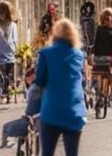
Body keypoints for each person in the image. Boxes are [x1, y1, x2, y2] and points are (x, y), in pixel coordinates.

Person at [35, 19, 87, 156]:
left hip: (51, 111)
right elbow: (82, 80)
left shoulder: (46, 53)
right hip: (73, 111)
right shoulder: (79, 55)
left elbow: (39, 80)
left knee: (47, 153)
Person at [87, 7, 112, 111]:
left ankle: (100, 96)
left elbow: (95, 46)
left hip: (99, 59)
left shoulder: (99, 30)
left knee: (102, 73)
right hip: (109, 59)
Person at [0, 1, 19, 99]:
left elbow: (15, 40)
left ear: (6, 13)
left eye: (1, 13)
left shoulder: (13, 25)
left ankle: (7, 94)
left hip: (9, 56)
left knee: (9, 78)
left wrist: (15, 51)